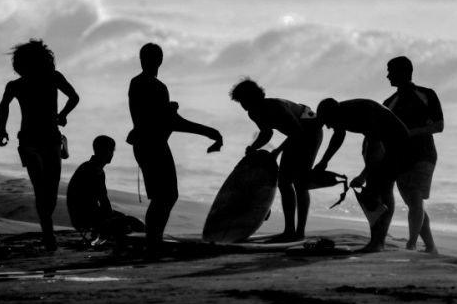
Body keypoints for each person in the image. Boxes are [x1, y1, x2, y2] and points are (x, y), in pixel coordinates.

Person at [128, 43, 223, 254]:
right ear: (160, 61)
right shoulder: (157, 87)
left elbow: (154, 117)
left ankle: (154, 240)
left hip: (144, 145)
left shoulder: (135, 83)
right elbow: (169, 121)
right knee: (166, 196)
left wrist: (168, 112)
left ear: (141, 59)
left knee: (162, 196)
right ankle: (153, 241)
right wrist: (209, 132)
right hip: (154, 145)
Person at [0, 39, 79, 251]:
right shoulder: (53, 77)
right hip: (45, 140)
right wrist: (63, 114)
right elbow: (74, 97)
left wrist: (2, 130)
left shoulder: (18, 85)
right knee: (47, 191)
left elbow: (4, 106)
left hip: (32, 141)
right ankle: (48, 233)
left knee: (42, 190)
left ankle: (47, 231)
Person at [229, 78, 322, 242]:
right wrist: (254, 146)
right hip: (297, 134)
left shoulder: (276, 106)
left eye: (243, 100)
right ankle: (289, 230)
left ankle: (298, 233)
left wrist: (278, 151)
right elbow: (267, 133)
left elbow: (298, 132)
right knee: (284, 182)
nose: (242, 106)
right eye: (240, 102)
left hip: (311, 130)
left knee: (300, 183)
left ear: (253, 97)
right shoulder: (253, 112)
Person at [315, 98, 409, 253]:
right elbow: (338, 136)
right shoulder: (339, 114)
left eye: (328, 121)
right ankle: (376, 240)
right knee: (372, 189)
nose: (327, 126)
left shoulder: (362, 113)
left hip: (397, 142)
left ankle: (378, 242)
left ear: (335, 114)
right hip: (380, 140)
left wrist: (363, 175)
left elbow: (378, 147)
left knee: (383, 187)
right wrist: (324, 162)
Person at [384, 56, 443, 253]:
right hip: (400, 158)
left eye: (391, 71)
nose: (387, 76)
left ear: (404, 73)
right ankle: (430, 246)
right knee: (413, 203)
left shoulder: (426, 94)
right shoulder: (388, 103)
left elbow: (439, 125)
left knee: (416, 198)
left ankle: (411, 244)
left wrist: (410, 132)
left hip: (424, 154)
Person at [66, 135, 144, 245]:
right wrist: (110, 219)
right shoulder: (95, 171)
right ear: (106, 151)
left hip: (81, 218)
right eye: (111, 151)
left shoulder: (89, 167)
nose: (112, 154)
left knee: (125, 220)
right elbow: (103, 201)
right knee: (133, 223)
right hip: (87, 220)